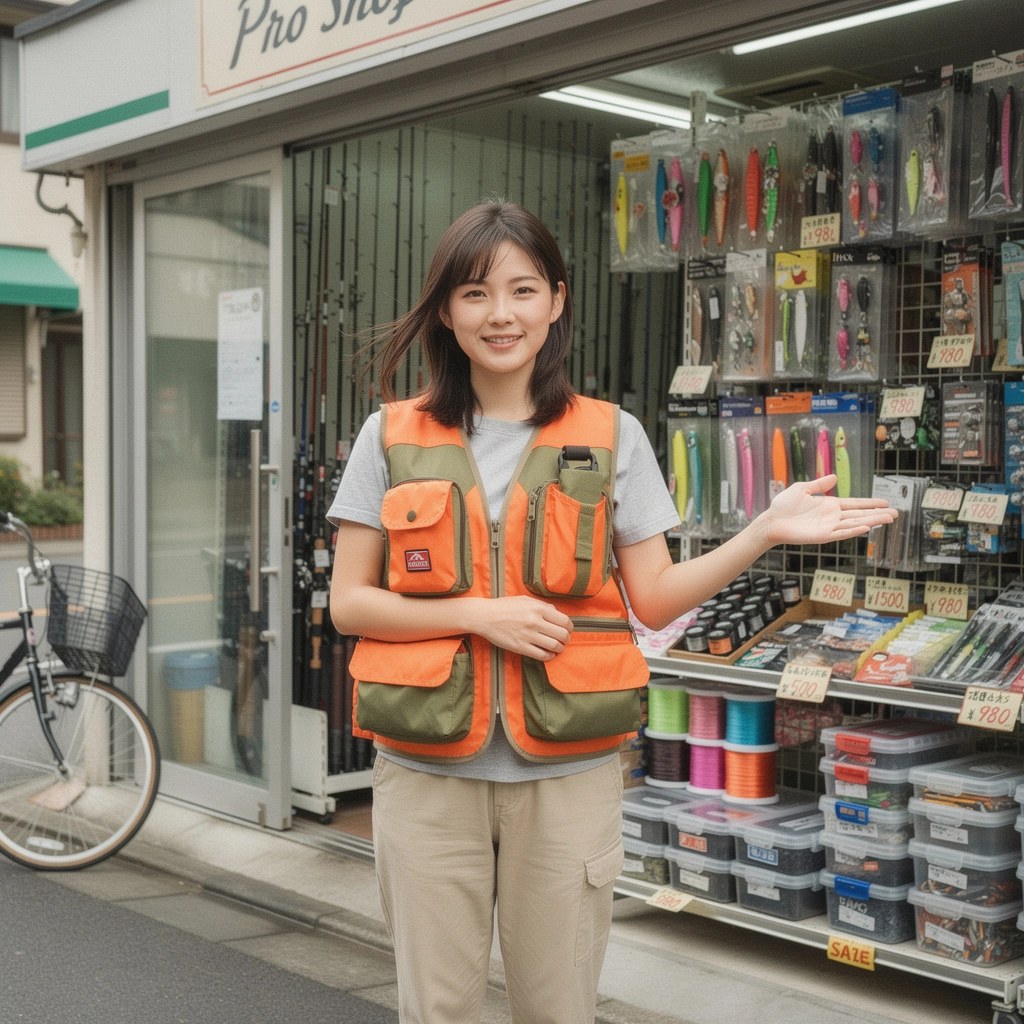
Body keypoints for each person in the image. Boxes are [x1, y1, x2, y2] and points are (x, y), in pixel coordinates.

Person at [328, 199, 897, 1024]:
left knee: (557, 1011)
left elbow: (656, 598)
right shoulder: (388, 435)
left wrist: (764, 531)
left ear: (557, 301)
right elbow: (351, 602)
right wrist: (482, 615)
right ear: (447, 310)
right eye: (476, 293)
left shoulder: (612, 434)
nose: (501, 314)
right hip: (425, 778)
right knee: (436, 1012)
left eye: (522, 291)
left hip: (568, 777)